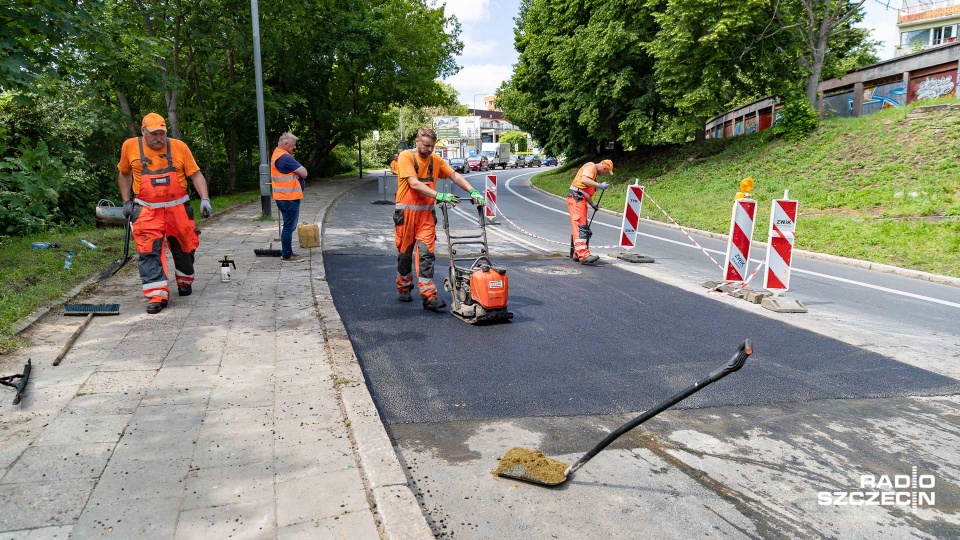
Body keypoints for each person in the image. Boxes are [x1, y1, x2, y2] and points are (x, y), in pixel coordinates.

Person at [117, 112, 212, 314]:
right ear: (143, 131)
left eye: (162, 133)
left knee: (186, 247)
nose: (159, 138)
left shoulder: (179, 147)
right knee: (149, 251)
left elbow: (195, 174)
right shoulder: (130, 146)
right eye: (154, 134)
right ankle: (157, 294)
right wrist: (126, 201)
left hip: (178, 210)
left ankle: (185, 281)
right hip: (147, 211)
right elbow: (124, 173)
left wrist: (204, 199)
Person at [395, 127, 485, 310]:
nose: (429, 150)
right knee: (405, 255)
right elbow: (414, 183)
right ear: (417, 141)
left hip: (426, 215)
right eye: (426, 145)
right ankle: (404, 287)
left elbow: (455, 175)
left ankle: (429, 296)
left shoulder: (435, 160)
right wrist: (440, 195)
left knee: (426, 254)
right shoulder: (406, 156)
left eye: (432, 146)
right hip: (406, 215)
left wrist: (472, 190)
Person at [271, 132, 309, 263]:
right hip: (289, 198)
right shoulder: (285, 158)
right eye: (293, 145)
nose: (295, 148)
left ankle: (288, 252)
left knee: (288, 226)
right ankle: (287, 255)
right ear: (286, 144)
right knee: (289, 227)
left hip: (283, 196)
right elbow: (304, 173)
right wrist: (297, 174)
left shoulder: (277, 154)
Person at [567, 159, 613, 265]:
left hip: (579, 199)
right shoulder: (591, 167)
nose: (605, 174)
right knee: (580, 227)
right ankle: (584, 255)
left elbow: (584, 191)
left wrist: (592, 204)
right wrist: (599, 185)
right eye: (606, 172)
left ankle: (577, 253)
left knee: (582, 227)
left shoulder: (593, 170)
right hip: (577, 200)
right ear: (604, 167)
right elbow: (584, 180)